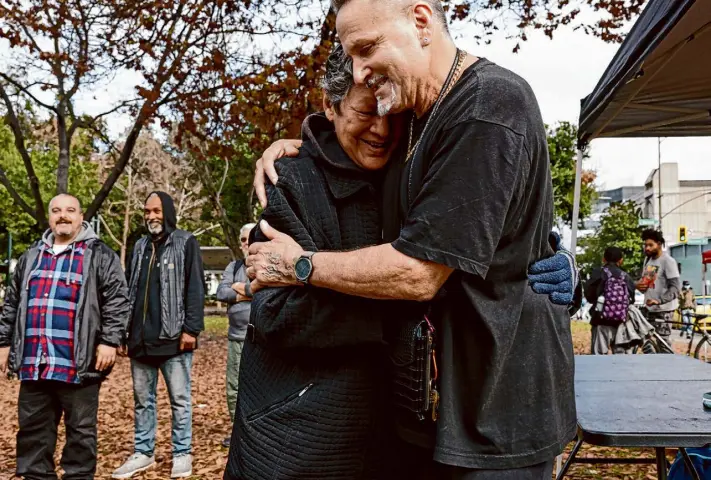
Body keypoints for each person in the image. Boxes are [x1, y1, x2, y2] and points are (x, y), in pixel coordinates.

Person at [245, 1, 577, 477]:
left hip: (497, 420)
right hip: (426, 419)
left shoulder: (487, 105)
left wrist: (302, 265)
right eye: (350, 55)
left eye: (366, 47)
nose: (359, 70)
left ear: (420, 22)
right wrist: (301, 147)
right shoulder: (410, 115)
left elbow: (419, 272)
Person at [0, 194, 129, 480]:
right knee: (33, 434)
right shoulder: (32, 256)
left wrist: (109, 340)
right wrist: (4, 343)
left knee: (81, 436)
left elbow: (118, 300)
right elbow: (11, 303)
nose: (63, 215)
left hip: (78, 364)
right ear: (49, 217)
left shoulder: (99, 255)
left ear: (81, 217)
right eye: (56, 210)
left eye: (70, 210)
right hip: (35, 362)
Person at [113, 192, 205, 479]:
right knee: (143, 400)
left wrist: (192, 328)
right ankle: (143, 452)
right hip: (139, 340)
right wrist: (122, 333)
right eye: (146, 211)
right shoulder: (139, 246)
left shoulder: (185, 242)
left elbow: (195, 287)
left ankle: (181, 453)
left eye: (156, 210)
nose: (151, 216)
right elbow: (129, 290)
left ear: (167, 211)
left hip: (173, 338)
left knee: (180, 399)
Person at [216, 222, 255, 448]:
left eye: (250, 238)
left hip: (259, 338)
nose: (246, 243)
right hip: (235, 338)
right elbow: (221, 292)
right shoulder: (234, 266)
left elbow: (261, 289)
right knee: (233, 388)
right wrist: (246, 291)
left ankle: (255, 434)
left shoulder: (265, 265)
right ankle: (236, 433)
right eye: (243, 239)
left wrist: (240, 289)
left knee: (257, 387)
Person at [584, 247, 635, 355]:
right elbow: (632, 298)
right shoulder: (625, 276)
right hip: (621, 322)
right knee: (620, 360)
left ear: (604, 259)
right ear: (620, 261)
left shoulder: (598, 273)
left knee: (598, 358)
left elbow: (589, 295)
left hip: (600, 321)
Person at [637, 228, 680, 348]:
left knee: (663, 344)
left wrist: (659, 300)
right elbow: (647, 282)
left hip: (664, 310)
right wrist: (639, 285)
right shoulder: (648, 260)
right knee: (645, 341)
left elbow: (675, 288)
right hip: (649, 309)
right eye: (645, 245)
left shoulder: (668, 261)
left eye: (650, 245)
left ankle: (668, 365)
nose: (647, 248)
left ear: (659, 244)